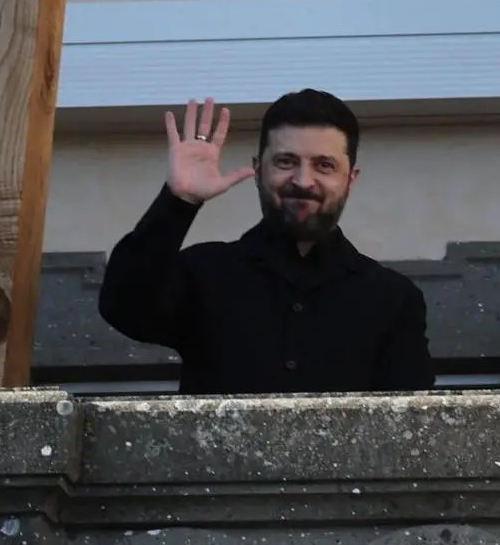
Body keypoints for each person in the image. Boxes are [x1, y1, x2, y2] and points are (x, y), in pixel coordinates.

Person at [98, 89, 435, 394]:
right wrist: (179, 200)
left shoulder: (393, 299)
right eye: (286, 162)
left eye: (324, 165)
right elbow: (125, 308)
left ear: (350, 179)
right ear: (258, 171)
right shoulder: (204, 274)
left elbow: (411, 435)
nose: (303, 181)